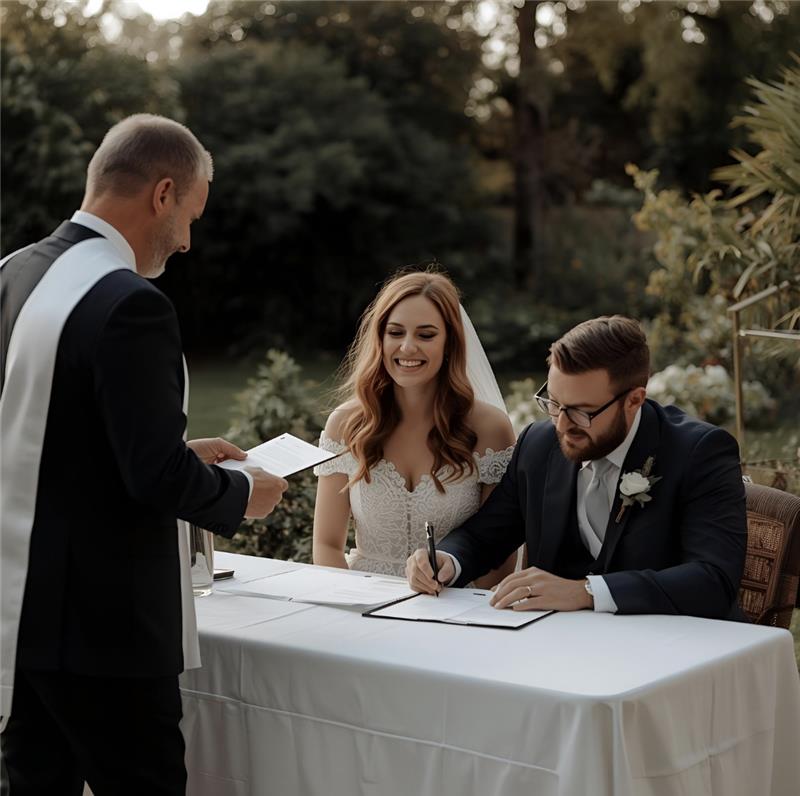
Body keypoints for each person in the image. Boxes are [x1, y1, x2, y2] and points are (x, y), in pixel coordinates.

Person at [0, 114, 288, 795]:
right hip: (106, 629)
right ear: (162, 194)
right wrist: (242, 492)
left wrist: (174, 449)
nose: (186, 241)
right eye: (190, 216)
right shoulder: (130, 302)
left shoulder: (13, 272)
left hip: (16, 615)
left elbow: (41, 433)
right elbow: (154, 476)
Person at [406, 315, 748, 620]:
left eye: (582, 412)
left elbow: (714, 580)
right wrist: (446, 560)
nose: (561, 425)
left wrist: (585, 592)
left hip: (677, 649)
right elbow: (483, 536)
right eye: (554, 403)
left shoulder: (699, 452)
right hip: (557, 649)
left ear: (634, 400)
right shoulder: (538, 445)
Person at [313, 270, 517, 587]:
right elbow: (326, 544)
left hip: (452, 602)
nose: (407, 347)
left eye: (426, 335)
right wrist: (349, 601)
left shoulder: (490, 429)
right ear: (380, 339)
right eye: (395, 332)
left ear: (450, 343)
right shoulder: (346, 424)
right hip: (362, 598)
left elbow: (499, 561)